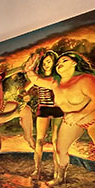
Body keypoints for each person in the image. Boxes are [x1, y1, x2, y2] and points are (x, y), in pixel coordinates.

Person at [24, 50, 95, 187]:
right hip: (72, 120)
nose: (60, 64)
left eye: (65, 61)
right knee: (60, 149)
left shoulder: (85, 79)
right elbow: (37, 80)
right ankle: (60, 178)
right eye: (58, 62)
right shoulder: (55, 82)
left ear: (74, 63)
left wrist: (79, 115)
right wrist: (29, 70)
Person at [0, 65, 34, 165]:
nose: (0, 77)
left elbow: (6, 74)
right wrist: (15, 114)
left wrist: (20, 68)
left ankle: (28, 137)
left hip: (3, 107)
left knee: (25, 110)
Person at [27, 51, 63, 180]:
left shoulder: (57, 77)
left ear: (54, 63)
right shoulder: (39, 78)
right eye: (44, 62)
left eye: (48, 61)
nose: (45, 64)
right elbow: (25, 89)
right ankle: (37, 169)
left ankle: (57, 171)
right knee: (39, 140)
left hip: (57, 109)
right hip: (43, 109)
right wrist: (24, 95)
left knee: (56, 141)